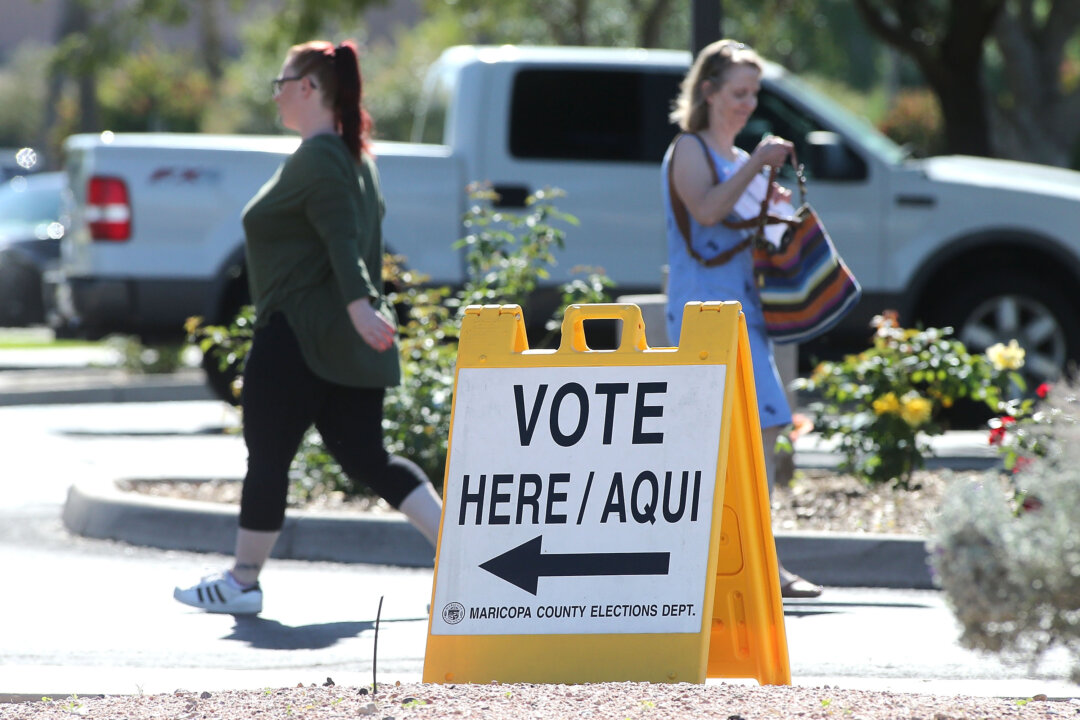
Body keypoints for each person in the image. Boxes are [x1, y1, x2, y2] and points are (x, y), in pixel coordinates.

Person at [174, 40, 443, 614]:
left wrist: (359, 305)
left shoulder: (320, 157)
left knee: (268, 457)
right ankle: (465, 562)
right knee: (368, 458)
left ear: (309, 88)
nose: (276, 95)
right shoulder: (355, 158)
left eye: (282, 83)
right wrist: (360, 311)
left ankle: (241, 583)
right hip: (339, 342)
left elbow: (340, 237)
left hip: (296, 334)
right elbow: (343, 236)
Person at [663, 39, 822, 599]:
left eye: (754, 93)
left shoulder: (733, 158)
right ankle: (743, 564)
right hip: (703, 310)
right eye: (738, 92)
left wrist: (773, 205)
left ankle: (744, 560)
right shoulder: (690, 149)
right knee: (738, 432)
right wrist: (757, 164)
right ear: (708, 91)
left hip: (744, 311)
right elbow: (706, 210)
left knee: (762, 427)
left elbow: (751, 232)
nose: (748, 104)